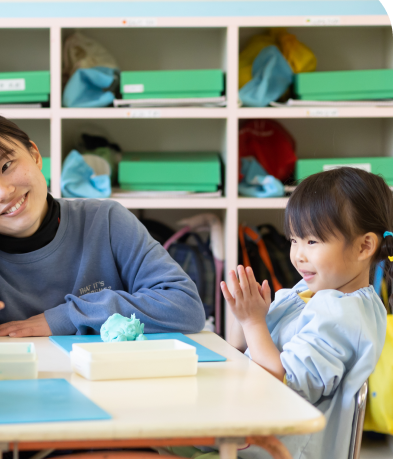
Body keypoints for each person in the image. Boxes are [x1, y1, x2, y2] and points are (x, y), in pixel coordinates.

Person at [0, 111, 205, 337]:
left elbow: (185, 307)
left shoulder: (106, 221)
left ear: (34, 154)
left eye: (7, 165)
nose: (3, 192)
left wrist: (65, 318)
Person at [166, 167, 388, 459]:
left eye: (312, 241)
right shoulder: (315, 291)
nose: (298, 254)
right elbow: (240, 350)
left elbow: (282, 388)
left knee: (152, 439)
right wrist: (242, 313)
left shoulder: (342, 317)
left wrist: (253, 321)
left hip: (273, 450)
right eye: (294, 240)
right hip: (247, 428)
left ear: (364, 246)